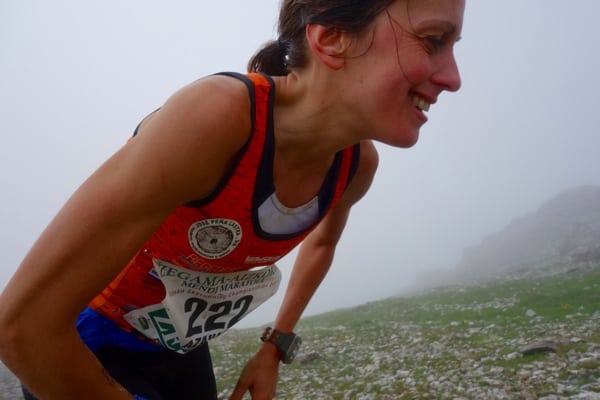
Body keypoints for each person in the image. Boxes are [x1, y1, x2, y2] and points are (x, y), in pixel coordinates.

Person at [0, 0, 464, 398]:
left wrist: (275, 347)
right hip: (85, 340)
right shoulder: (219, 118)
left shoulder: (356, 166)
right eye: (433, 41)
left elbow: (322, 243)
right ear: (332, 39)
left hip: (180, 343)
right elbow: (22, 326)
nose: (454, 78)